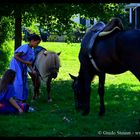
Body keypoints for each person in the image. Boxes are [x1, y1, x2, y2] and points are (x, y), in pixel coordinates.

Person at [9, 34, 41, 102]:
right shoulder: (25, 47)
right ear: (32, 41)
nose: (37, 45)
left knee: (24, 80)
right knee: (18, 81)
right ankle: (17, 99)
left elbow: (29, 63)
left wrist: (33, 71)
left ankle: (23, 98)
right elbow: (16, 56)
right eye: (37, 43)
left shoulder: (31, 51)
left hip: (22, 65)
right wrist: (25, 62)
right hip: (16, 64)